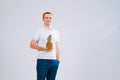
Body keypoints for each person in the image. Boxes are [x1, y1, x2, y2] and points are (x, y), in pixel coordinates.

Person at [30, 12, 60, 80]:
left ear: (52, 19)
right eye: (46, 18)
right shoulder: (39, 30)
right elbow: (31, 45)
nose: (48, 19)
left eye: (50, 18)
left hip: (54, 61)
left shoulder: (56, 32)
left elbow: (57, 47)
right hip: (42, 60)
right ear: (43, 19)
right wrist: (43, 48)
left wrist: (58, 61)